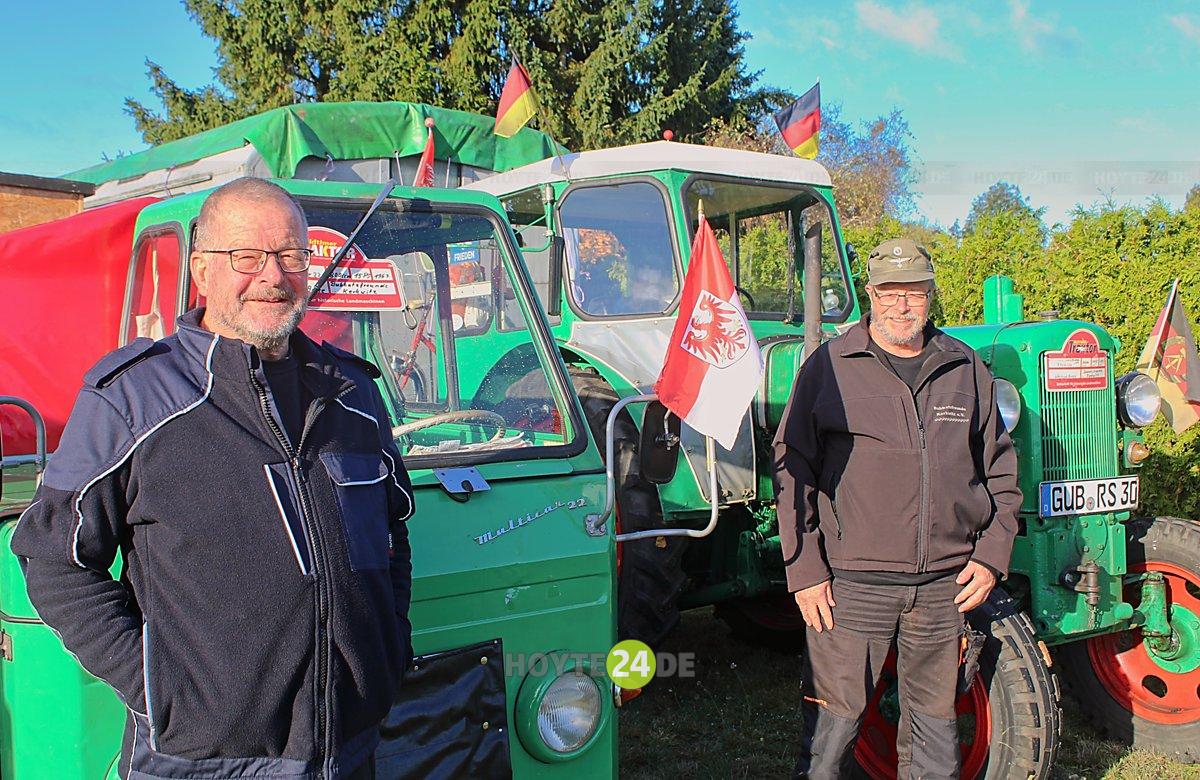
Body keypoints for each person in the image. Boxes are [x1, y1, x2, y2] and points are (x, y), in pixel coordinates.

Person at [11, 178, 414, 779]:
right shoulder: (135, 399)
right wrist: (159, 689)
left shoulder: (352, 392)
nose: (273, 277)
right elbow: (52, 559)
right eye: (246, 258)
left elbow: (392, 533)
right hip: (204, 762)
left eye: (291, 256)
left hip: (347, 749)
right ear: (202, 269)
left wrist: (388, 646)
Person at [773, 238, 1020, 779]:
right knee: (833, 728)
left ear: (931, 295)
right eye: (889, 291)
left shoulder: (964, 367)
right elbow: (793, 470)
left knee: (935, 727)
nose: (901, 304)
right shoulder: (831, 366)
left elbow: (1000, 468)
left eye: (914, 292)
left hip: (943, 586)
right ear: (870, 294)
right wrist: (806, 570)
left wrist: (992, 554)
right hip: (851, 587)